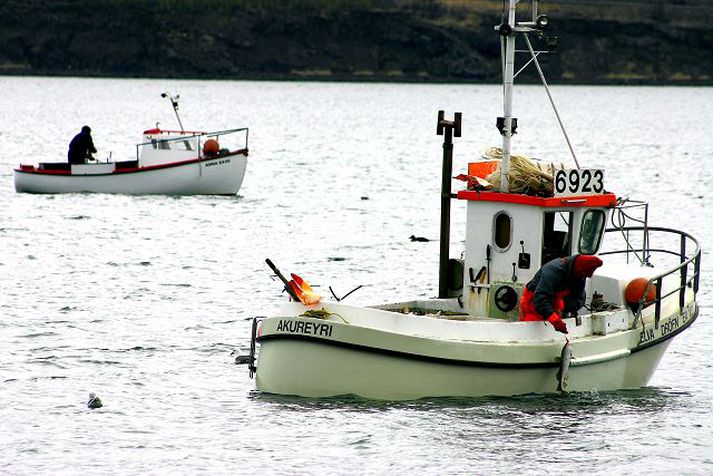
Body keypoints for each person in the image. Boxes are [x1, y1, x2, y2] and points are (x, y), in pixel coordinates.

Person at [519, 254, 603, 334]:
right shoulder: (552, 271)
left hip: (554, 302)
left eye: (585, 276)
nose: (583, 278)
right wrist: (556, 321)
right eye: (583, 275)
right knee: (533, 331)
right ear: (577, 270)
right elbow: (539, 300)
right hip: (533, 303)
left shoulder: (580, 276)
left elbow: (579, 299)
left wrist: (563, 305)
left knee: (552, 331)